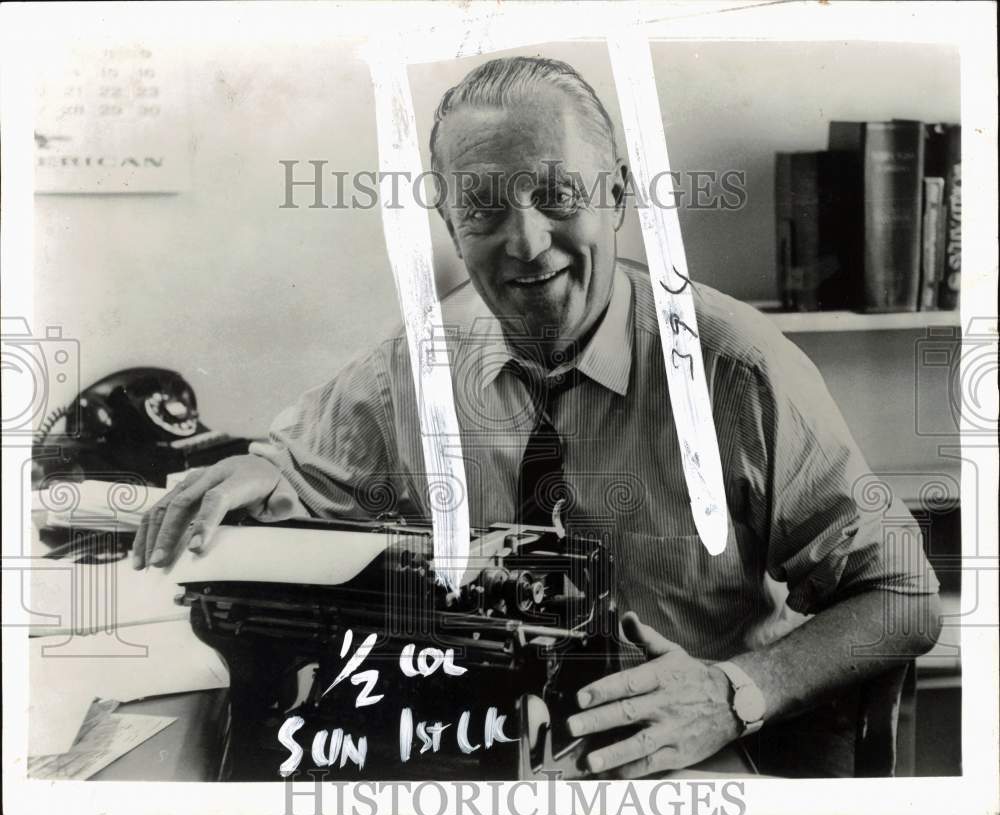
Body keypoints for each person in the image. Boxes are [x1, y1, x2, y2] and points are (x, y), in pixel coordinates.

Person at [133, 56, 941, 777]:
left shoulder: (738, 370)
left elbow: (904, 593)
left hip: (680, 754)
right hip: (475, 751)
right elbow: (297, 467)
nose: (526, 242)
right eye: (482, 209)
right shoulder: (420, 356)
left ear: (618, 194)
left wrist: (735, 692)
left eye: (557, 195)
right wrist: (256, 471)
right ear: (449, 223)